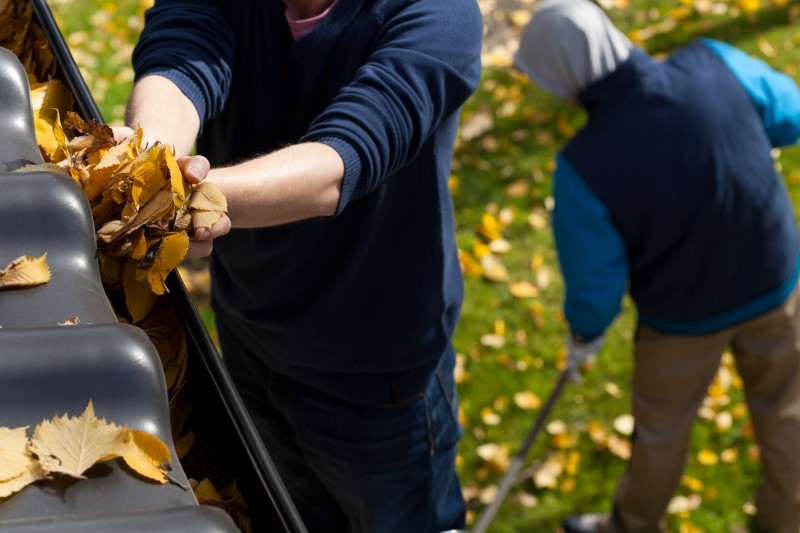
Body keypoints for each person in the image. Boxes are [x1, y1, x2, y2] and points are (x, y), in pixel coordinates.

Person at [123, 0, 483, 531]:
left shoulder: (438, 14)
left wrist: (184, 203)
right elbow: (181, 57)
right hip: (248, 337)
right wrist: (147, 167)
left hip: (374, 379)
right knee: (292, 516)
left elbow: (337, 164)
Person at [512, 0, 800, 532]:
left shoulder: (583, 166)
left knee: (661, 432)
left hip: (683, 319)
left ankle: (634, 526)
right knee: (787, 413)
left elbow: (596, 286)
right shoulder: (714, 61)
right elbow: (791, 113)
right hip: (774, 280)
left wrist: (585, 335)